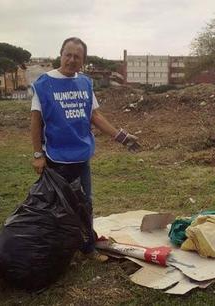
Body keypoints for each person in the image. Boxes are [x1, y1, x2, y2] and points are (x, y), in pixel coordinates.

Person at [30, 37, 140, 262]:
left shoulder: (85, 83)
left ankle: (88, 247)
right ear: (60, 54)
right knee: (58, 206)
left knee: (85, 203)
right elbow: (35, 121)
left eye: (76, 57)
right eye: (67, 55)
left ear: (83, 61)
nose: (71, 60)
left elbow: (95, 116)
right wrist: (37, 155)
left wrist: (122, 137)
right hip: (56, 159)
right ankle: (59, 250)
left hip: (81, 157)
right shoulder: (44, 84)